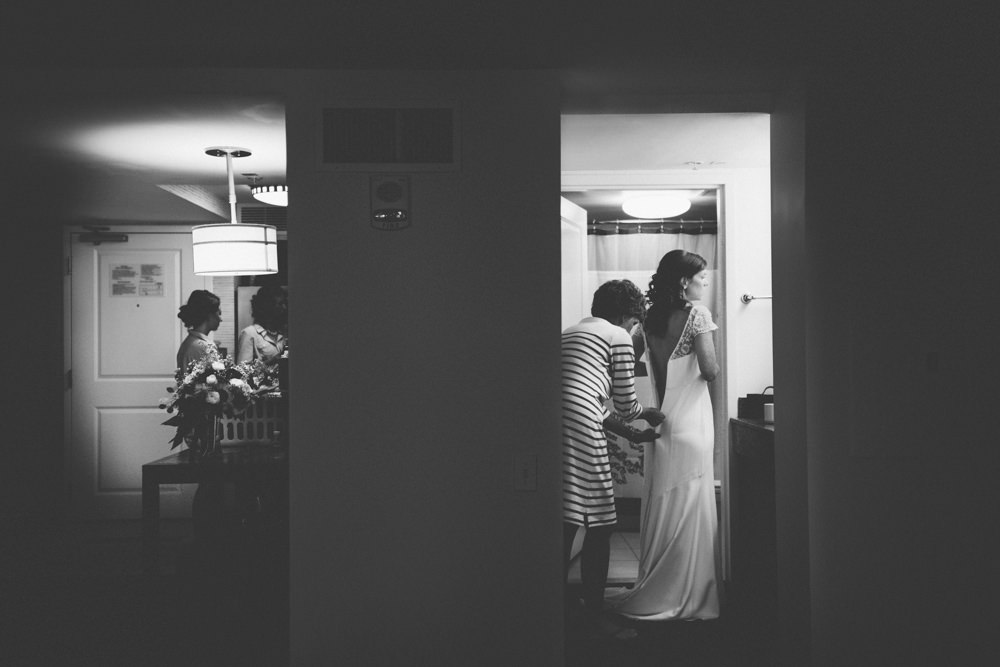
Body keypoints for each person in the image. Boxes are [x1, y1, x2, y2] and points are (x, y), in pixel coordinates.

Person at [605, 249, 722, 621]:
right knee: (691, 506)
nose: (705, 282)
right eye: (701, 277)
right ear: (684, 281)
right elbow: (710, 370)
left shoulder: (647, 322)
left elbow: (624, 366)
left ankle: (658, 583)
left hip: (662, 423)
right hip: (692, 425)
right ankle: (688, 593)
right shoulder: (697, 315)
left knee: (664, 504)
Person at [562, 279, 665, 637]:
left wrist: (632, 433)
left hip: (555, 422)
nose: (635, 329)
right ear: (627, 316)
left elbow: (587, 400)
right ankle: (594, 618)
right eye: (635, 322)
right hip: (579, 422)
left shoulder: (570, 333)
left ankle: (555, 608)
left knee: (566, 519)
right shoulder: (617, 336)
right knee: (602, 524)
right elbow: (624, 402)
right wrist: (645, 412)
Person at [236, 285, 287, 365]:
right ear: (268, 307)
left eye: (284, 303)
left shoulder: (283, 334)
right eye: (280, 304)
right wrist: (272, 361)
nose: (284, 307)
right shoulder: (250, 333)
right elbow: (241, 371)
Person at [176, 289, 222, 371]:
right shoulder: (201, 347)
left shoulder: (191, 342)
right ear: (209, 315)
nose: (220, 319)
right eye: (218, 313)